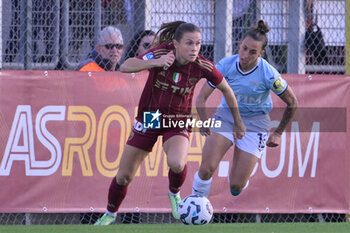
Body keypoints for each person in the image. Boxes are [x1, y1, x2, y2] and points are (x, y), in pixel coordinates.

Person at [94, 21, 246, 225]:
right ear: (175, 43)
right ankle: (110, 214)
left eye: (198, 44)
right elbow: (126, 66)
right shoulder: (160, 54)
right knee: (123, 177)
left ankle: (174, 194)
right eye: (189, 43)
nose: (194, 49)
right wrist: (156, 62)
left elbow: (227, 90)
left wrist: (238, 122)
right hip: (150, 118)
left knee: (177, 163)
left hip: (178, 119)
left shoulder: (201, 65)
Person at [192, 20, 298, 198]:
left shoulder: (268, 73)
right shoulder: (225, 66)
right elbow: (201, 98)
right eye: (244, 48)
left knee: (236, 187)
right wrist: (203, 121)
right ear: (239, 45)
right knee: (206, 169)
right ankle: (196, 202)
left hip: (256, 123)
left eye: (253, 52)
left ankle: (241, 175)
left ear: (261, 54)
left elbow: (292, 102)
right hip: (226, 117)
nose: (245, 54)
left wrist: (278, 133)